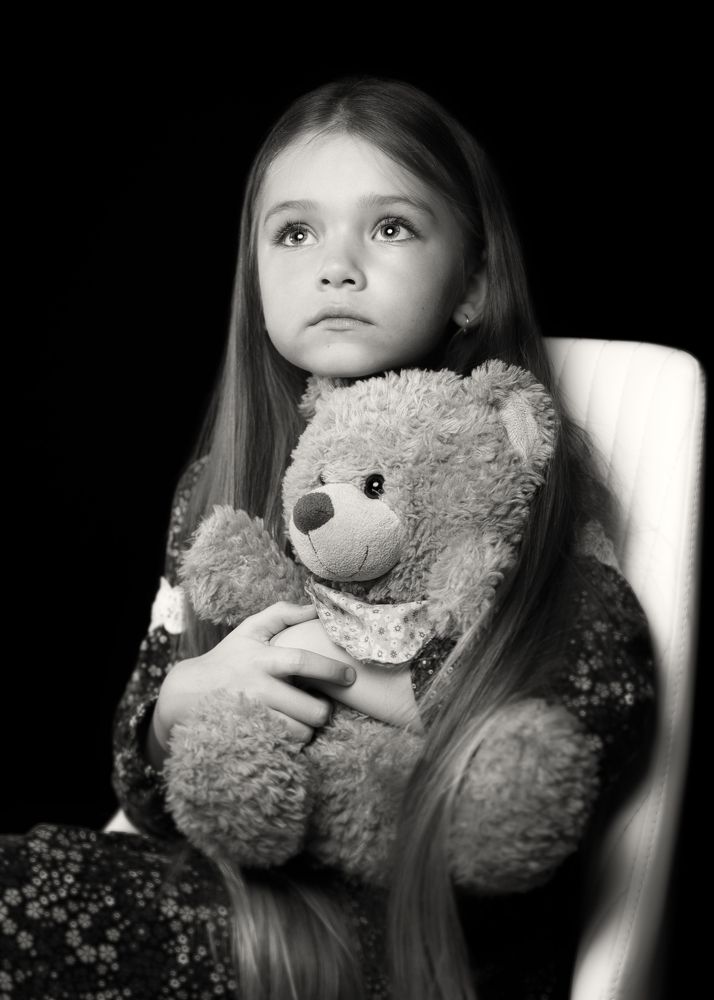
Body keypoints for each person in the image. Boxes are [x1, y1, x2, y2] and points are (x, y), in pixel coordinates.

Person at [0, 76, 656, 1000]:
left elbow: (591, 703)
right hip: (245, 894)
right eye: (295, 233)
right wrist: (176, 708)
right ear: (256, 273)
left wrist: (353, 670)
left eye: (390, 227)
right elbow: (146, 791)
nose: (335, 266)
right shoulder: (223, 480)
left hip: (419, 938)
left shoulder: (509, 464)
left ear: (472, 282)